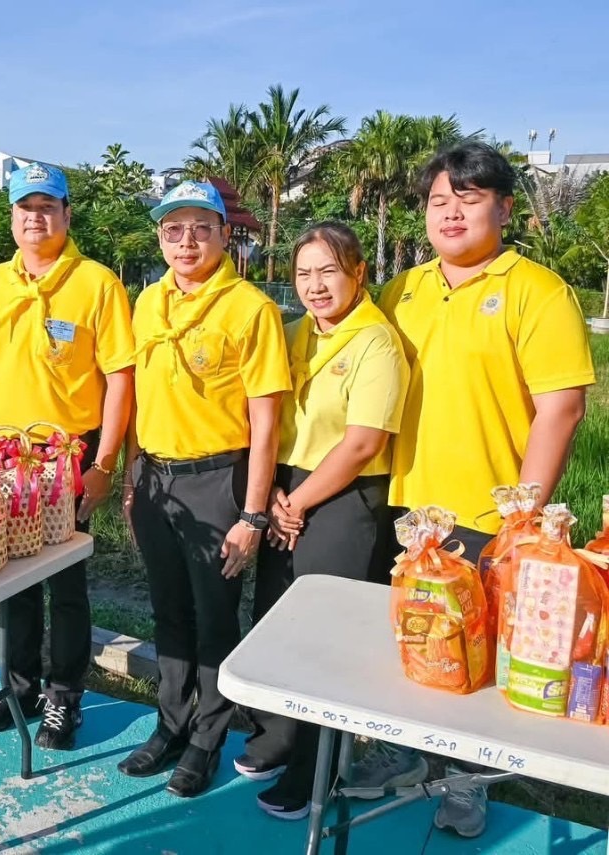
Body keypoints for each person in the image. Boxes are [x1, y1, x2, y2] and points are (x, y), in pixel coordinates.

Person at [353, 141, 595, 839]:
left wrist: (524, 517)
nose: (451, 211)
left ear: (505, 208)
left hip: (490, 514)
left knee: (478, 656)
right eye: (438, 199)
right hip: (405, 510)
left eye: (469, 196)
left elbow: (562, 408)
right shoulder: (404, 291)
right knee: (413, 638)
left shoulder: (537, 291)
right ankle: (402, 751)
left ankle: (465, 778)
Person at [117, 180, 290, 798]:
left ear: (224, 234)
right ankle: (171, 722)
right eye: (172, 229)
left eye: (200, 228)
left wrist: (253, 515)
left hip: (218, 479)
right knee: (168, 606)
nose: (185, 241)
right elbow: (139, 394)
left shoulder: (250, 308)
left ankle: (207, 735)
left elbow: (265, 420)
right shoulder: (148, 301)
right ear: (160, 237)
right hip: (156, 477)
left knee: (214, 613)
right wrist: (134, 476)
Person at [233, 223, 408, 820]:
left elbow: (362, 443)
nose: (315, 285)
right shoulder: (291, 334)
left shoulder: (377, 343)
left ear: (359, 273)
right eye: (304, 273)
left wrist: (298, 503)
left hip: (341, 499)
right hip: (286, 487)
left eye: (328, 271)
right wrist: (275, 496)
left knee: (322, 638)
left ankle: (319, 769)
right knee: (275, 618)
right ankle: (280, 736)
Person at [0, 163, 135, 750]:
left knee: (65, 580)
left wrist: (104, 463)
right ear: (11, 216)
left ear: (66, 215)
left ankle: (65, 694)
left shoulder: (96, 282)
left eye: (47, 207)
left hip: (68, 449)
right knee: (13, 574)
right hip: (2, 449)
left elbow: (119, 378)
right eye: (24, 207)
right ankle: (18, 685)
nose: (35, 217)